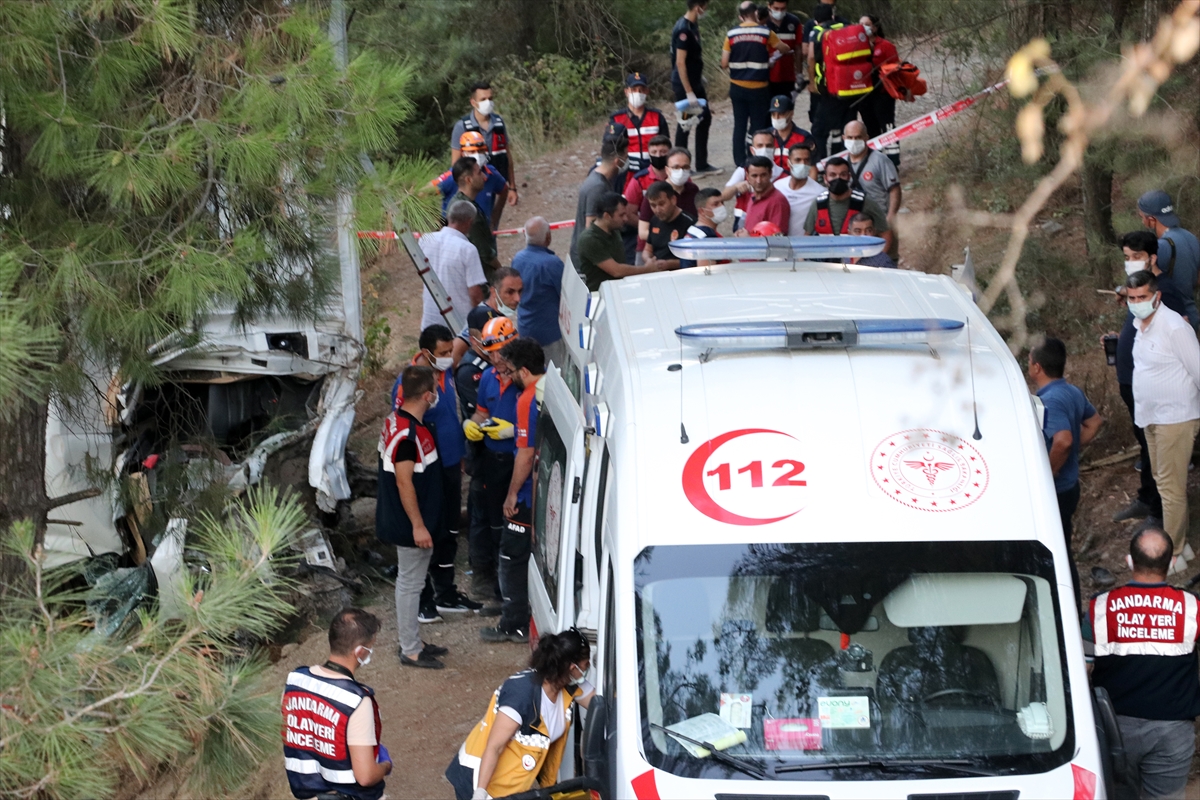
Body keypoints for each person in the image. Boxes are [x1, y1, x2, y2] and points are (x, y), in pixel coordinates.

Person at [1085, 526, 1200, 800]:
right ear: (1172, 563)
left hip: (1114, 731)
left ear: (1129, 561)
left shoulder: (1100, 608)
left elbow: (1082, 668)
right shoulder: (1192, 608)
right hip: (1172, 733)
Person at [391, 326, 481, 622]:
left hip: (451, 463)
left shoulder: (444, 374)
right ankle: (423, 599)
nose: (448, 357)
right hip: (428, 468)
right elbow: (404, 422)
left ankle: (445, 592)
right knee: (431, 530)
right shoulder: (411, 382)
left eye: (448, 352)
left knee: (449, 530)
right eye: (442, 353)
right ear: (427, 352)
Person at [445, 629, 595, 800]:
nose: (588, 669)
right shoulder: (521, 695)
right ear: (572, 667)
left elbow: (600, 704)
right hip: (481, 779)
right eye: (586, 665)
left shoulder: (567, 684)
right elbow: (495, 746)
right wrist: (480, 793)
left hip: (513, 783)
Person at [1111, 231, 1188, 525]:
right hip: (1133, 382)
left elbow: (1177, 340)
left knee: (1154, 448)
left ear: (1152, 258)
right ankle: (1146, 498)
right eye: (1127, 258)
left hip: (1156, 387)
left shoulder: (1165, 291)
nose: (1130, 263)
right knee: (1144, 444)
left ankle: (1158, 513)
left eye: (1136, 257)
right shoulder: (1137, 290)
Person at [1128, 269, 1200, 575]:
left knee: (1171, 489)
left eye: (1142, 297)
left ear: (1156, 296)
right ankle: (1182, 548)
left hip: (1176, 417)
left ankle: (1172, 553)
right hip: (1151, 417)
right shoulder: (1138, 325)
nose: (1137, 302)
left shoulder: (1174, 328)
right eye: (1132, 298)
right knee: (1160, 481)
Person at [376, 366, 447, 668]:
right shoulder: (408, 435)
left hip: (411, 520)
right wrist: (418, 525)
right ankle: (410, 649)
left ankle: (413, 641)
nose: (437, 394)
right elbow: (404, 482)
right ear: (428, 395)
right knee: (410, 584)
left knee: (412, 582)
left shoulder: (397, 421)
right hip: (410, 525)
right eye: (436, 388)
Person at [477, 338, 547, 643]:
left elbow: (525, 453)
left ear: (524, 370)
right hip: (547, 489)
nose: (508, 375)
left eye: (512, 370)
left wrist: (512, 494)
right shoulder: (553, 386)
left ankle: (515, 621)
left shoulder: (527, 398)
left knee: (512, 555)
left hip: (528, 493)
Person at [283, 608, 392, 800]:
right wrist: (385, 765)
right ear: (359, 651)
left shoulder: (295, 681)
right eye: (370, 646)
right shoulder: (356, 701)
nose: (370, 652)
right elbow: (365, 777)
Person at [1028, 336, 1102, 610]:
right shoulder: (1071, 391)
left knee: (1056, 554)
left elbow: (1063, 440)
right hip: (1070, 487)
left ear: (1037, 367)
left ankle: (1065, 609)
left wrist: (1047, 472)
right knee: (1063, 549)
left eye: (1029, 361)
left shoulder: (1051, 401)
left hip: (1056, 491)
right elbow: (1093, 423)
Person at [463, 318, 520, 618]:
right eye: (492, 352)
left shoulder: (527, 377)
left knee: (519, 528)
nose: (496, 358)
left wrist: (515, 431)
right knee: (496, 528)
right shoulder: (487, 379)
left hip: (520, 460)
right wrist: (471, 425)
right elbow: (481, 413)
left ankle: (517, 596)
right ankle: (501, 592)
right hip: (493, 462)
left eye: (501, 351)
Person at [722, 2, 790, 170]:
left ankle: (739, 162)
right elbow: (785, 48)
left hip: (737, 87)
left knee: (739, 124)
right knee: (758, 125)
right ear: (756, 14)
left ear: (741, 15)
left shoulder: (731, 34)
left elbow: (724, 63)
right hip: (759, 87)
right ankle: (755, 157)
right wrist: (770, 60)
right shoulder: (765, 32)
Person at [419, 199, 487, 346]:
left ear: (449, 217)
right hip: (458, 326)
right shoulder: (467, 249)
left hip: (430, 320)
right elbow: (475, 293)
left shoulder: (425, 240)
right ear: (469, 222)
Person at [451, 81, 516, 229]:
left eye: (490, 98)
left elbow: (508, 157)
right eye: (483, 99)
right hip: (472, 183)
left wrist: (512, 187)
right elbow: (455, 164)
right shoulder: (462, 126)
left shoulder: (499, 123)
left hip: (493, 180)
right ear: (473, 102)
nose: (488, 102)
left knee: (489, 224)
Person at [577, 193, 667, 291]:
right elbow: (616, 270)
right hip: (600, 296)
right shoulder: (590, 240)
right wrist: (647, 269)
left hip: (617, 289)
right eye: (621, 215)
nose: (626, 219)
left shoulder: (614, 229)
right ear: (607, 216)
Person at [671, 0, 721, 175]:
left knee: (704, 118)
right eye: (705, 6)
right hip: (686, 85)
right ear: (698, 6)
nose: (706, 9)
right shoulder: (684, 29)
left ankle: (701, 164)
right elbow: (680, 62)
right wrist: (689, 91)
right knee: (686, 123)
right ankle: (679, 166)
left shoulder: (693, 25)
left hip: (695, 82)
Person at [1138, 189, 1200, 328]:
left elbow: (1145, 287)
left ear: (1151, 220)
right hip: (1192, 316)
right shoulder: (1191, 237)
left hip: (1172, 319)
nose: (1142, 222)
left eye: (1142, 217)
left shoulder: (1161, 247)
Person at [513, 217, 567, 368]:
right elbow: (565, 295)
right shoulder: (552, 263)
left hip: (525, 327)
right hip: (550, 332)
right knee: (555, 375)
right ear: (548, 237)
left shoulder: (518, 259)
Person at [805, 157, 892, 250]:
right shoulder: (818, 203)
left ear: (849, 177)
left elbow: (886, 234)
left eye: (843, 174)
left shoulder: (864, 201)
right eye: (832, 175)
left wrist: (877, 259)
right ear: (825, 178)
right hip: (826, 261)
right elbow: (807, 236)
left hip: (856, 261)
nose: (838, 178)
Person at [570, 135, 628, 268]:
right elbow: (591, 226)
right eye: (625, 156)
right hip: (590, 264)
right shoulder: (598, 187)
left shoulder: (601, 180)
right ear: (617, 161)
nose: (627, 160)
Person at [807, 4, 854, 160]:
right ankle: (845, 161)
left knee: (819, 129)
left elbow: (812, 57)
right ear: (833, 16)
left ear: (816, 21)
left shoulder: (817, 32)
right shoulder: (847, 27)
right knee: (845, 125)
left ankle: (820, 166)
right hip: (852, 86)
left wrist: (812, 82)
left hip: (831, 88)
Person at [432, 131, 508, 227]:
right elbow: (423, 193)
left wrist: (494, 220)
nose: (477, 155)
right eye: (472, 151)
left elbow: (504, 190)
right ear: (463, 153)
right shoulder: (453, 175)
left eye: (480, 151)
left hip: (482, 233)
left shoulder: (492, 174)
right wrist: (437, 222)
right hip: (455, 234)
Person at [858, 14, 901, 167]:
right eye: (860, 23)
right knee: (870, 128)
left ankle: (893, 162)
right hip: (864, 94)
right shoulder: (855, 45)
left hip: (883, 94)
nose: (863, 27)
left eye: (867, 24)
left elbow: (896, 68)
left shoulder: (885, 46)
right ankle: (876, 162)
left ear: (875, 27)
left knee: (887, 126)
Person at [722, 129, 785, 232]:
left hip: (771, 224)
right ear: (752, 150)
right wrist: (736, 187)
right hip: (743, 225)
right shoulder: (743, 170)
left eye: (768, 146)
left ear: (774, 149)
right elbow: (724, 196)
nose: (764, 149)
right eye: (760, 146)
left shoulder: (784, 175)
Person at [450, 158, 501, 278]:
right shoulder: (468, 212)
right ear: (469, 180)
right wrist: (500, 270)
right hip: (480, 279)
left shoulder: (457, 203)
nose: (484, 176)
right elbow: (485, 253)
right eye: (479, 173)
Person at [610, 73, 668, 173]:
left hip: (653, 168)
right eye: (634, 90)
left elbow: (666, 145)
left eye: (641, 90)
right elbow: (611, 146)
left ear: (647, 92)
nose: (638, 93)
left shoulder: (657, 116)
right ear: (626, 92)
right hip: (627, 169)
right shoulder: (616, 118)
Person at [638, 147, 698, 242]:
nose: (681, 171)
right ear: (667, 170)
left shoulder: (693, 190)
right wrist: (672, 238)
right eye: (676, 167)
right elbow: (643, 232)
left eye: (685, 167)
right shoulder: (655, 192)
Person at [643, 182, 696, 271]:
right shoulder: (654, 220)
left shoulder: (690, 223)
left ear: (673, 200)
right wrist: (648, 260)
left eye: (661, 204)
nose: (657, 210)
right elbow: (647, 250)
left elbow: (697, 258)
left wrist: (669, 264)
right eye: (653, 205)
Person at [773, 140, 822, 237]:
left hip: (804, 246)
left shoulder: (819, 193)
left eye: (806, 160)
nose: (802, 164)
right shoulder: (777, 186)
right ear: (788, 162)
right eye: (798, 160)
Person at [738, 155, 790, 235]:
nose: (759, 181)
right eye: (754, 176)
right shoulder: (753, 196)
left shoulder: (777, 202)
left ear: (770, 174)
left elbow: (777, 240)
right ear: (747, 176)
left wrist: (748, 239)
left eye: (763, 175)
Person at [680, 187, 727, 269]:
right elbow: (707, 272)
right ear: (702, 211)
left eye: (722, 202)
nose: (721, 206)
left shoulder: (693, 230)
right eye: (716, 204)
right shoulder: (707, 238)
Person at [766, 0, 804, 100]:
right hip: (766, 76)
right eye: (776, 9)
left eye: (783, 9)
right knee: (766, 110)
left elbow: (798, 49)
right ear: (769, 6)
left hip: (787, 75)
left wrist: (799, 73)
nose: (779, 12)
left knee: (786, 109)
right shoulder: (763, 22)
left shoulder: (794, 22)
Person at [768, 94, 813, 169]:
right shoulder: (765, 136)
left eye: (781, 114)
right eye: (773, 114)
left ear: (791, 114)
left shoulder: (804, 137)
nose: (776, 118)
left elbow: (812, 168)